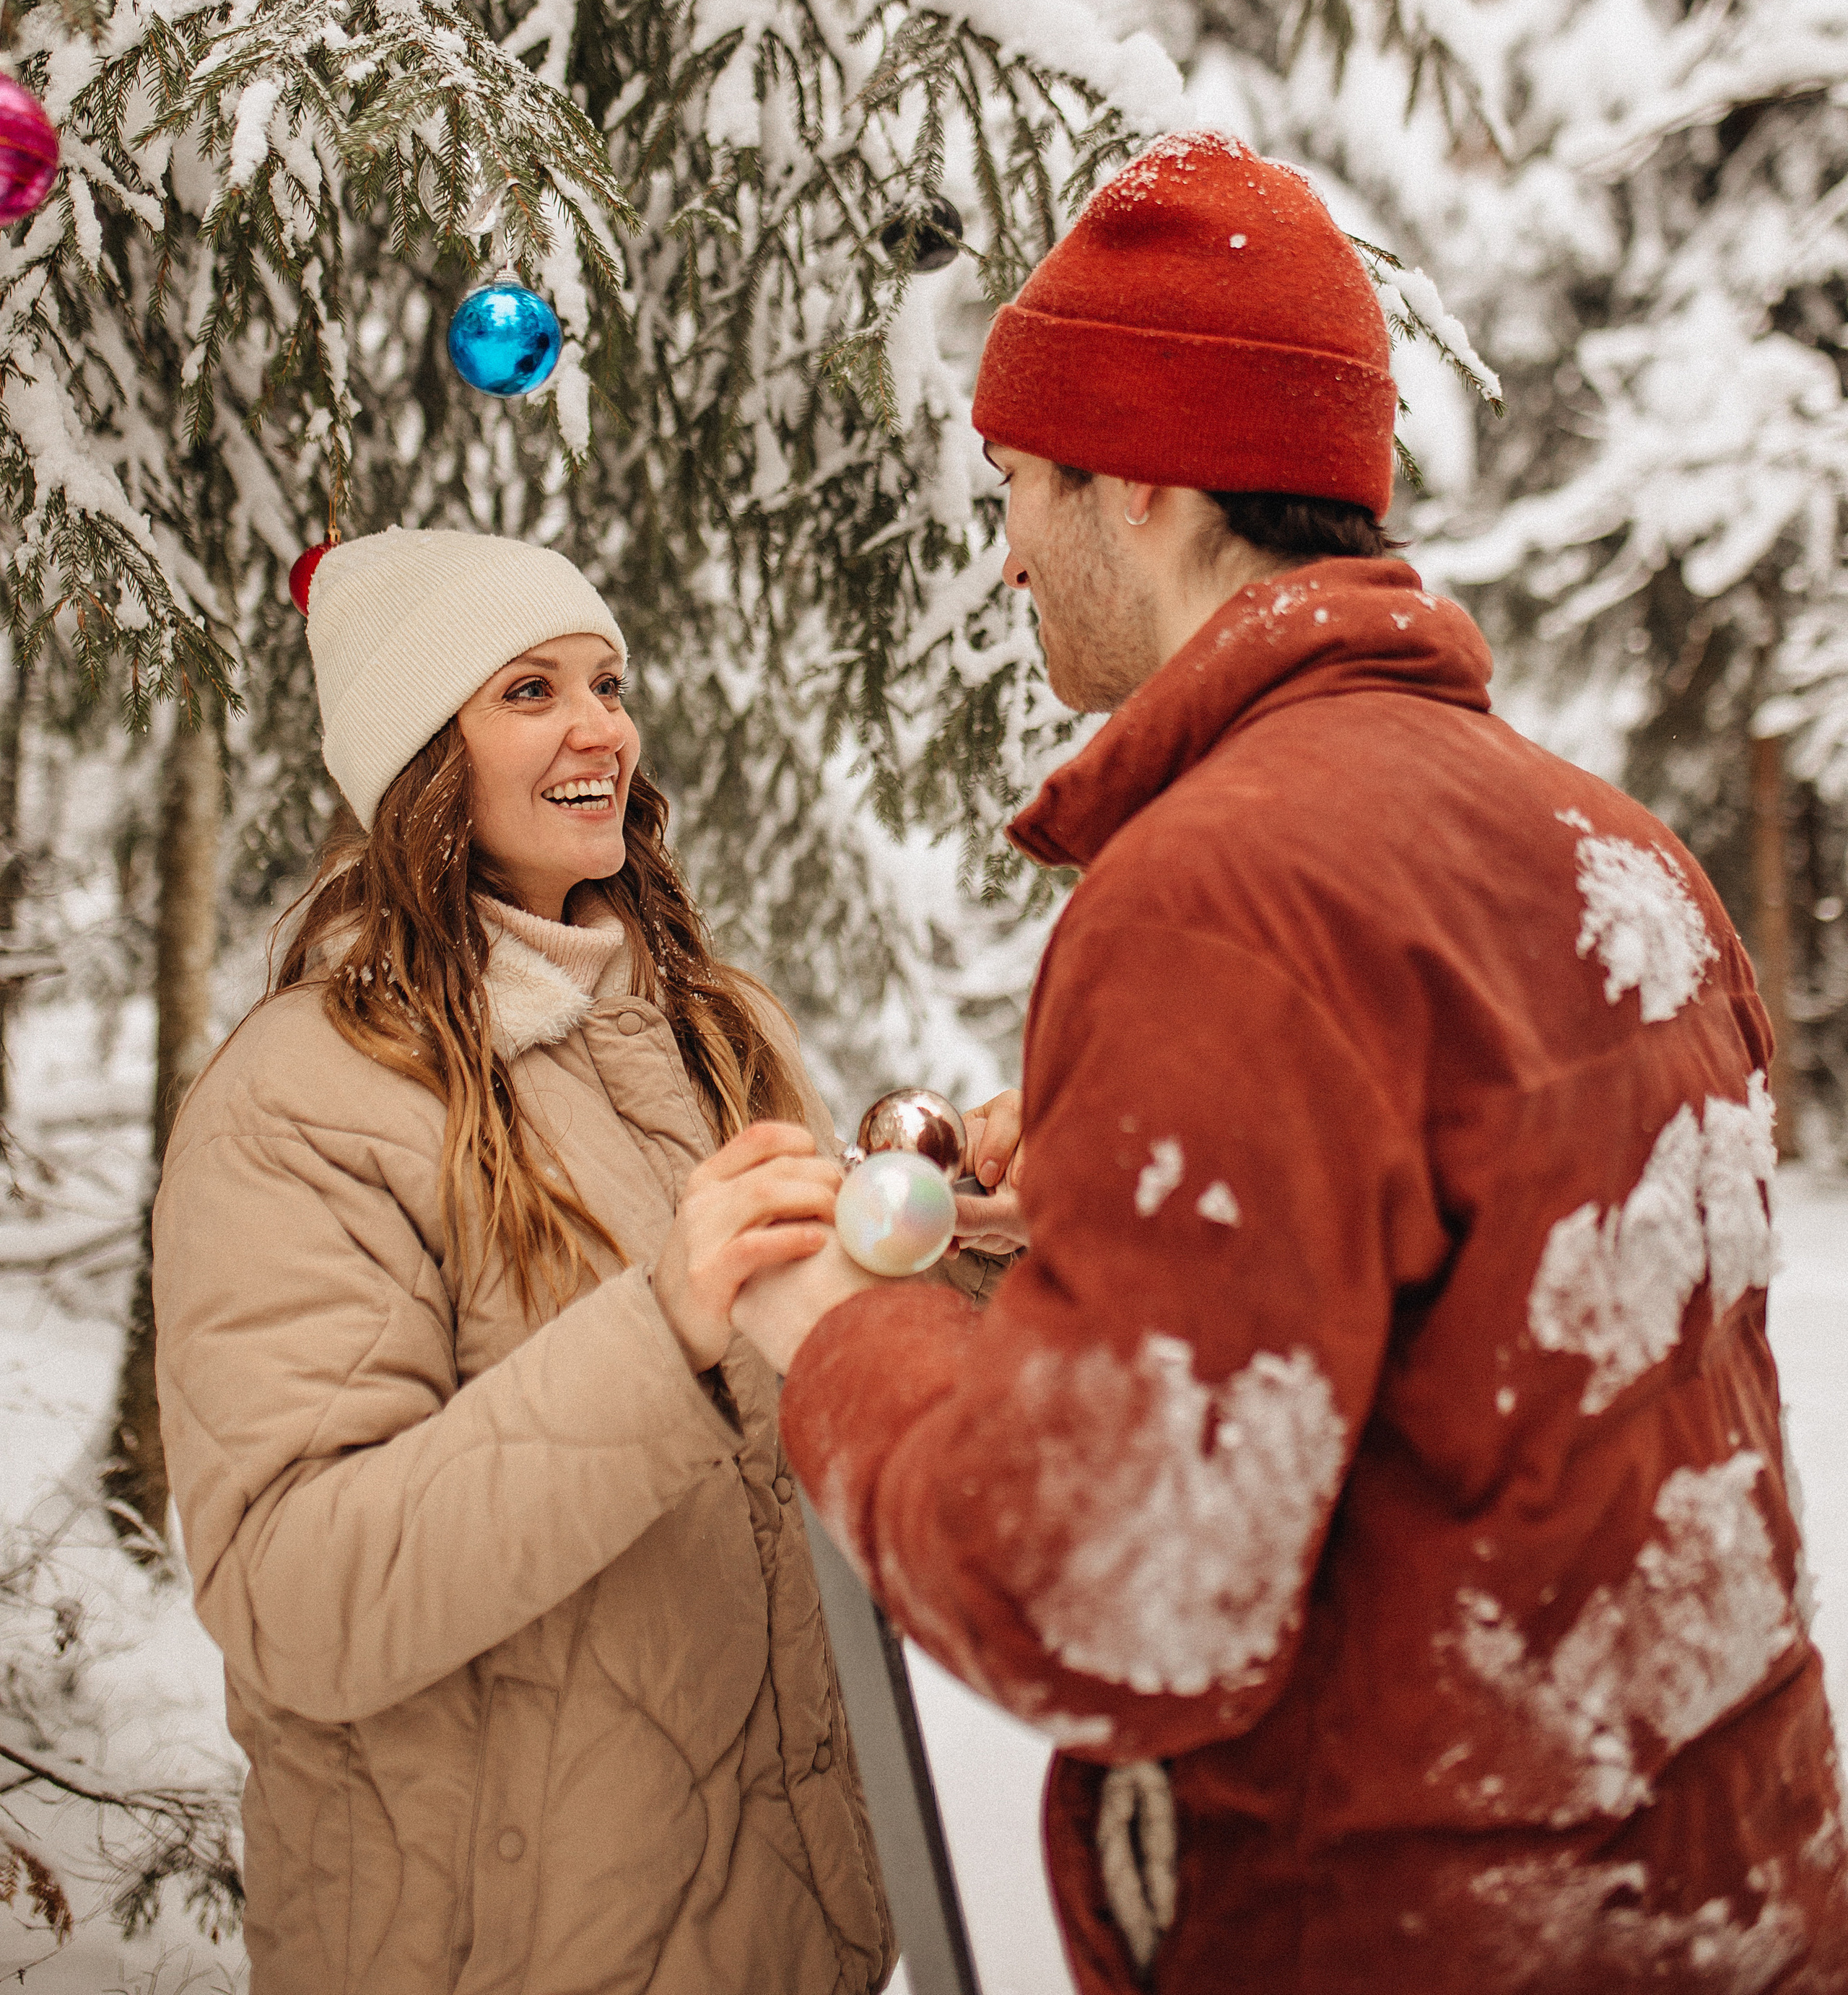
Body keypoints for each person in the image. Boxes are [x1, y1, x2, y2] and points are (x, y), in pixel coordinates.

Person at [734, 132, 1848, 1994]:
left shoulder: (1218, 894)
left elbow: (1108, 1599)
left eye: (1018, 482)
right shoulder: (1607, 846)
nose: (1001, 551)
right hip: (1726, 1900)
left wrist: (833, 1321)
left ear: (1142, 481)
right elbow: (1495, 1363)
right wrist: (1113, 1197)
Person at [152, 526, 913, 1995]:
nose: (600, 728)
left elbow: (825, 1386)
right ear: (423, 756)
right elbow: (297, 1595)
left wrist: (961, 1246)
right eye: (528, 690)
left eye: (607, 681)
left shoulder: (713, 1028)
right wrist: (663, 1331)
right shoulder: (301, 1096)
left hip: (789, 1932)